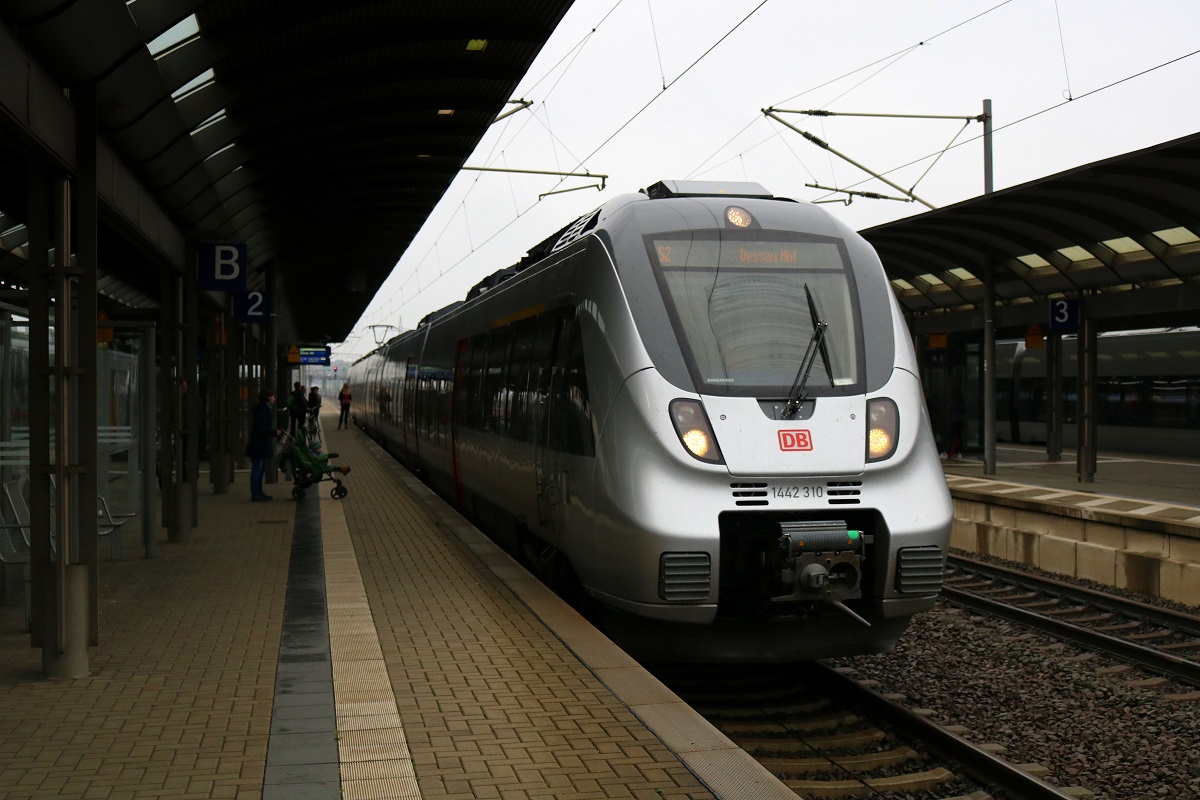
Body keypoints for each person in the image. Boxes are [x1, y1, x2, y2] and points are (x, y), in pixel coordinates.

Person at [247, 388, 281, 501]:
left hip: (260, 442)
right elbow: (260, 427)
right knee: (257, 468)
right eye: (273, 396)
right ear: (268, 397)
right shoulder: (263, 409)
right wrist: (274, 432)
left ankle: (259, 492)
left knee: (260, 469)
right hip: (259, 443)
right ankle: (255, 493)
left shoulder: (264, 408)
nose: (274, 398)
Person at [944, 389, 967, 459]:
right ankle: (959, 452)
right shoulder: (962, 402)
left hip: (953, 420)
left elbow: (949, 411)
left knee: (950, 436)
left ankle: (947, 452)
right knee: (959, 437)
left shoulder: (952, 402)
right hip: (961, 420)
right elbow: (964, 411)